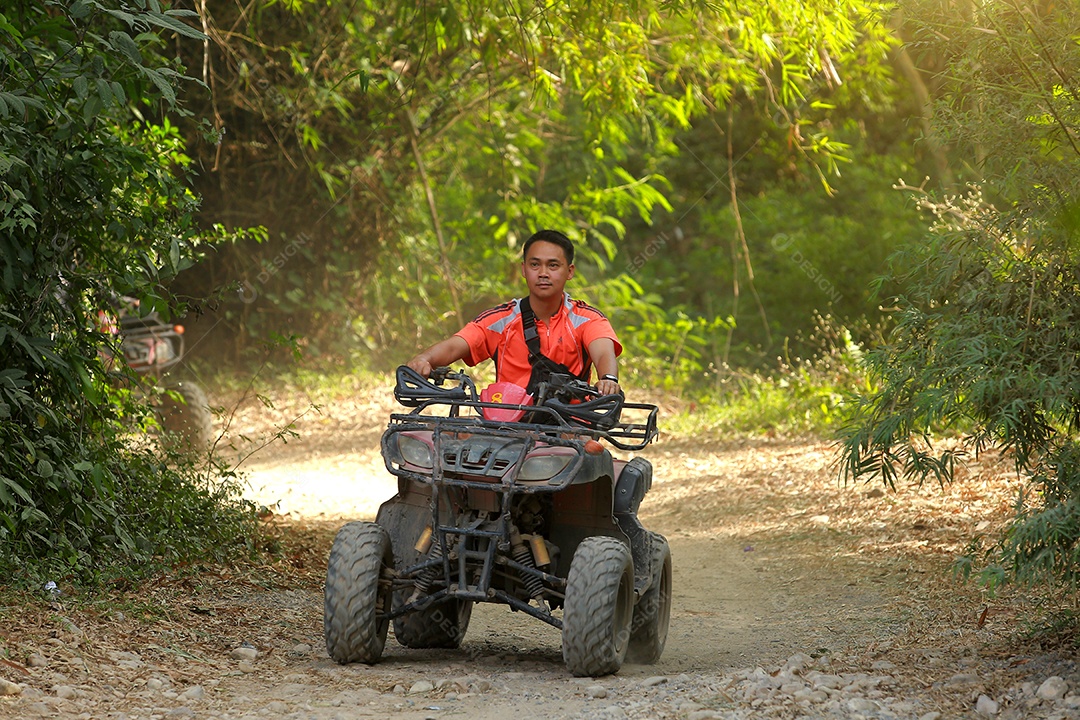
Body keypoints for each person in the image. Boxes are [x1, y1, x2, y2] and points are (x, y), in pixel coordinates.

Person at [406, 229, 622, 397]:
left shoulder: (587, 319)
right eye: (535, 265)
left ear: (570, 271)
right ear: (524, 269)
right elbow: (456, 345)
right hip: (507, 425)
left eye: (553, 265)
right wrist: (424, 359)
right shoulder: (501, 319)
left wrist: (609, 379)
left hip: (570, 425)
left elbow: (603, 352)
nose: (543, 273)